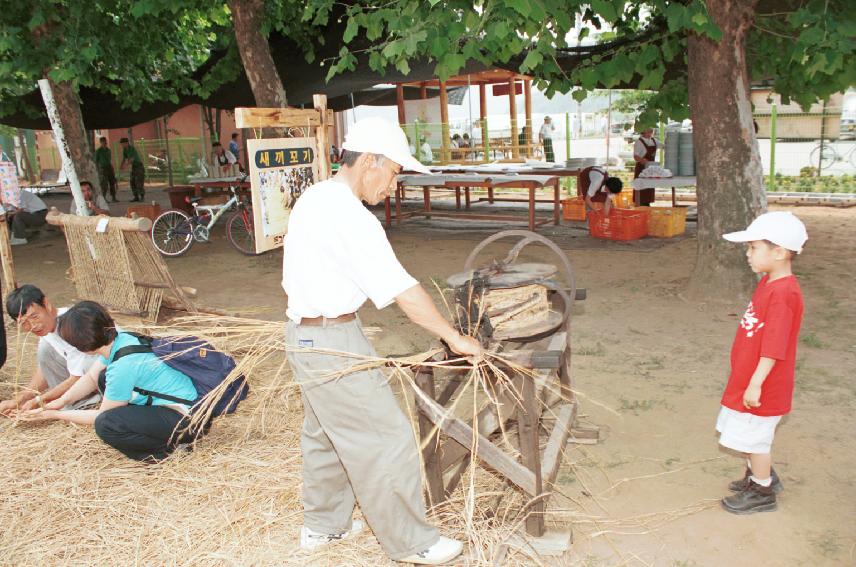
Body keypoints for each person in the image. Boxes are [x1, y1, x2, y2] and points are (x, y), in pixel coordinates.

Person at [282, 117, 482, 565]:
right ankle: (413, 543)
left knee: (325, 434)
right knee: (385, 437)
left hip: (309, 334)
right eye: (394, 172)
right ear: (369, 161)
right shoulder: (349, 216)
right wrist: (452, 336)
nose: (395, 185)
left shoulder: (317, 196)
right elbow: (404, 292)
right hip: (329, 339)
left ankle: (323, 527)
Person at [21, 301, 206, 462]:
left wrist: (56, 415)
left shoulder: (122, 367)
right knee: (102, 378)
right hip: (189, 407)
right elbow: (92, 377)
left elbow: (101, 416)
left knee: (107, 425)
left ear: (83, 347)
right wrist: (59, 402)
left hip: (187, 421)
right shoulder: (120, 340)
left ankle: (167, 451)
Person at [716, 212, 807, 514]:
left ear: (779, 252)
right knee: (742, 434)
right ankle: (759, 475)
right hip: (748, 377)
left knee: (754, 439)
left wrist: (756, 382)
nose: (748, 254)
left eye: (754, 248)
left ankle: (762, 491)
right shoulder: (770, 282)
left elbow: (775, 345)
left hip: (764, 384)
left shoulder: (784, 294)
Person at [0, 285, 101, 416]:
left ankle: (87, 403)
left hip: (109, 373)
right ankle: (75, 402)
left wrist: (39, 401)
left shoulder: (73, 325)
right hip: (87, 376)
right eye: (24, 322)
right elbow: (45, 367)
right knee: (45, 350)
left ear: (46, 304)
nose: (32, 326)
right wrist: (22, 398)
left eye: (34, 316)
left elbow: (77, 377)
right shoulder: (48, 329)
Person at [633, 128, 663, 205]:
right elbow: (635, 156)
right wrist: (642, 160)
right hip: (642, 169)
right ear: (643, 132)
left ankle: (647, 205)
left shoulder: (654, 140)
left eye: (651, 131)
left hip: (651, 169)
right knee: (642, 189)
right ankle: (640, 206)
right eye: (648, 131)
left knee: (649, 188)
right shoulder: (639, 142)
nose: (650, 133)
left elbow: (663, 146)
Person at [119, 137, 145, 202]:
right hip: (134, 167)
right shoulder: (125, 150)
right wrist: (121, 165)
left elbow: (132, 159)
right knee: (132, 182)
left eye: (122, 144)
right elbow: (124, 158)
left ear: (126, 143)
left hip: (139, 166)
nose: (122, 145)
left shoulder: (132, 149)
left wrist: (125, 166)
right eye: (121, 144)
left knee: (139, 182)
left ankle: (142, 196)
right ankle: (136, 197)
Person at [94, 137, 118, 202]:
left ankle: (113, 197)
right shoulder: (98, 151)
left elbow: (109, 160)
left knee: (112, 182)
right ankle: (103, 198)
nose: (104, 143)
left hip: (109, 167)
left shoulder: (108, 150)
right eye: (103, 142)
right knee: (104, 184)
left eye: (105, 141)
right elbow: (95, 161)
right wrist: (97, 170)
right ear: (101, 142)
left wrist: (112, 168)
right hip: (102, 168)